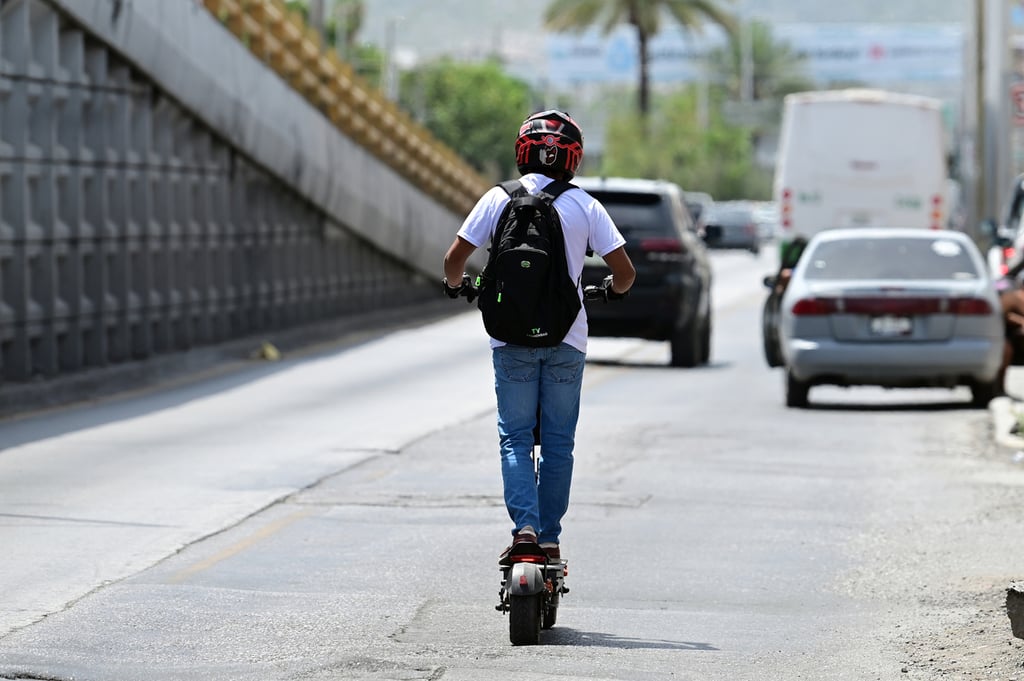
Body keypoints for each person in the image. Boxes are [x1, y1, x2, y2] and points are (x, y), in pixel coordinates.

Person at [441, 110, 636, 564]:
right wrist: (608, 292)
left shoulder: (497, 198)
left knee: (514, 438)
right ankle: (549, 540)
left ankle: (524, 530)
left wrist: (457, 286)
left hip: (510, 339)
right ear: (573, 159)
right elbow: (625, 274)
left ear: (522, 152)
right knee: (558, 443)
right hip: (568, 338)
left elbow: (454, 261)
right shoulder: (586, 206)